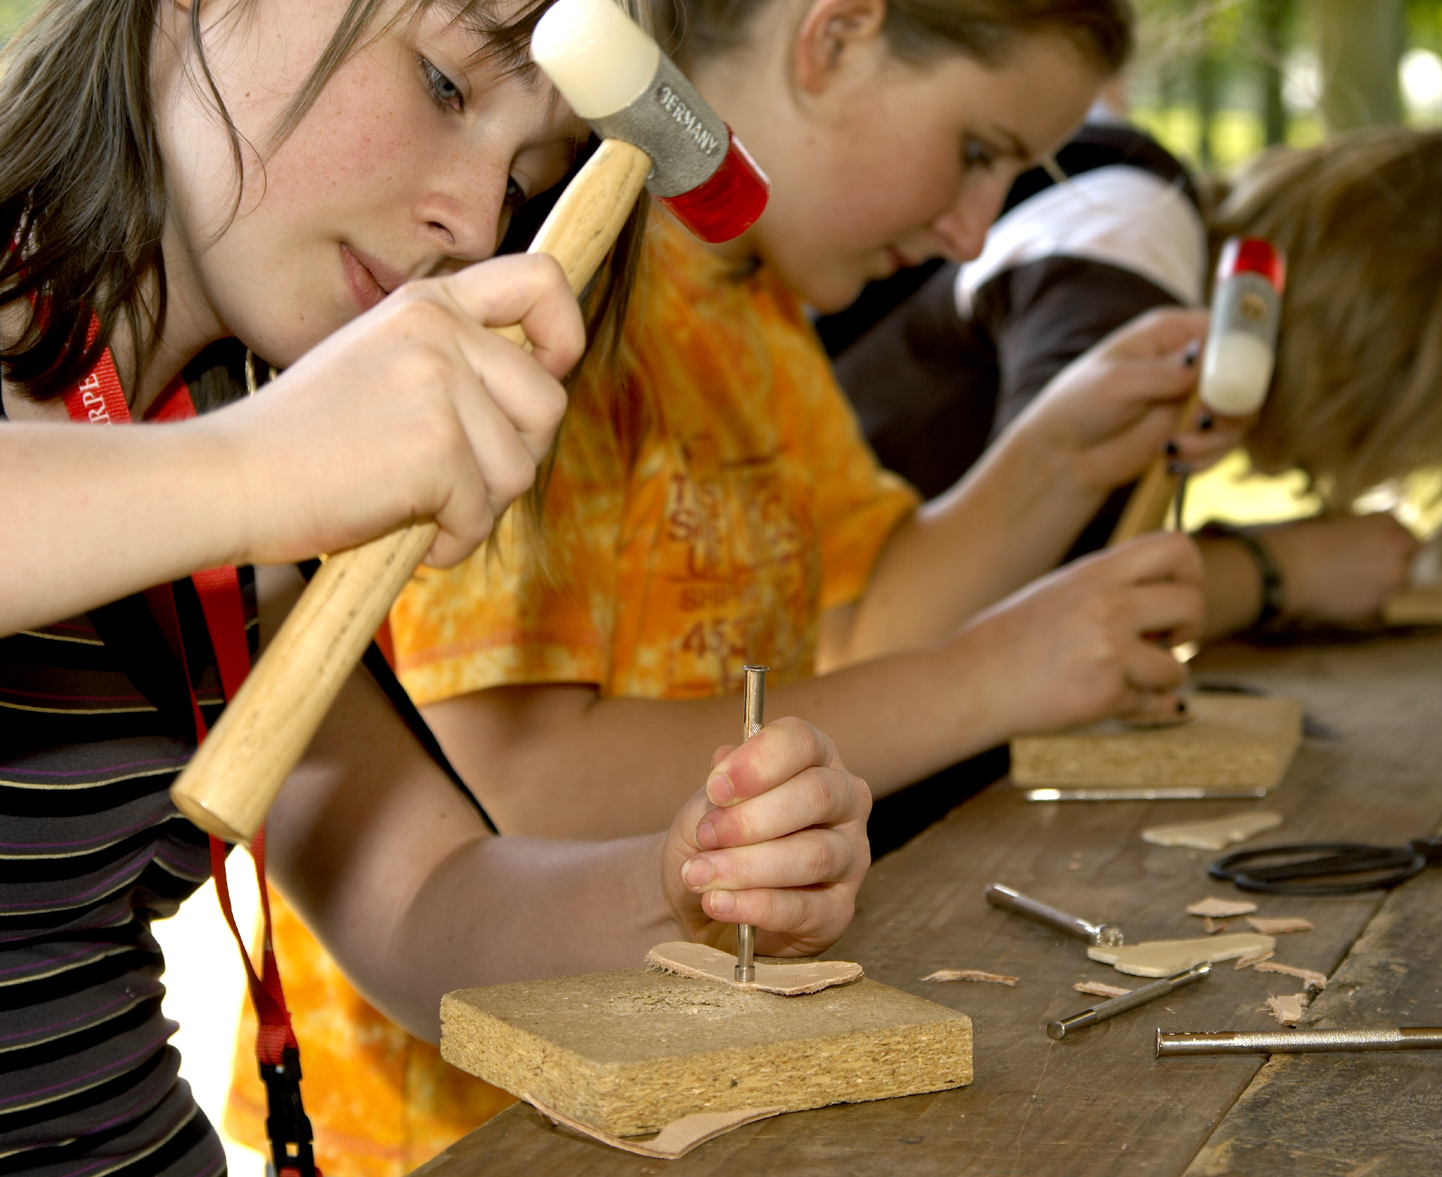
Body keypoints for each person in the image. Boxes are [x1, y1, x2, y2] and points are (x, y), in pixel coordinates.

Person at [230, 0, 1217, 1170]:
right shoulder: (558, 298)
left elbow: (851, 628)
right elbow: (503, 785)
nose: (971, 234)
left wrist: (1057, 453)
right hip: (470, 1121)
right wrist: (986, 681)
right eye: (975, 153)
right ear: (834, 37)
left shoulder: (755, 305)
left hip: (698, 1081)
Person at [0, 3, 871, 1175]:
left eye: (527, 178)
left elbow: (420, 907)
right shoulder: (245, 464)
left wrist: (686, 891)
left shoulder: (221, 441)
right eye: (444, 85)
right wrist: (262, 468)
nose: (467, 222)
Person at [826, 119, 1442, 632]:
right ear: (1365, 371)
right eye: (1381, 445)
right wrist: (1279, 571)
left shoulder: (1137, 216)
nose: (1331, 475)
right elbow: (1038, 626)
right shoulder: (1123, 259)